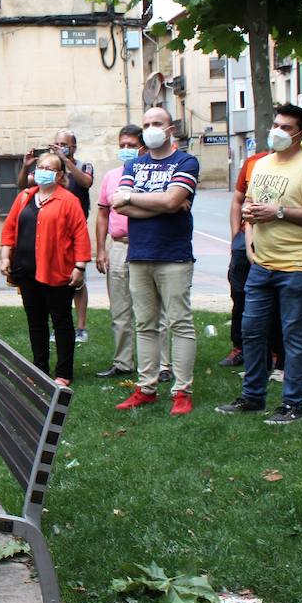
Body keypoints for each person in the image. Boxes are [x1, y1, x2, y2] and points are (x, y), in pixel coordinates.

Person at [217, 104, 302, 424]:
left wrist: (280, 213)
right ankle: (253, 397)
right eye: (277, 125)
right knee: (251, 331)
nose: (278, 132)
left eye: (286, 128)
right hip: (263, 264)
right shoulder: (262, 165)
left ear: (300, 134)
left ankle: (292, 405)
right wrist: (249, 233)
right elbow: (252, 206)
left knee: (293, 338)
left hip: (299, 266)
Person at [111, 106, 200, 416]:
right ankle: (146, 388)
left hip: (173, 254)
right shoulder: (134, 164)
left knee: (180, 323)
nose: (150, 128)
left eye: (157, 123)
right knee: (145, 324)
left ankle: (182, 391)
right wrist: (165, 204)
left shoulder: (185, 161)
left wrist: (143, 199)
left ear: (170, 128)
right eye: (146, 123)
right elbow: (119, 206)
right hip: (139, 254)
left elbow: (172, 199)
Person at [0, 150, 90, 385]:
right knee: (35, 321)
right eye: (41, 166)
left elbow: (80, 235)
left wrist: (79, 267)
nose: (44, 172)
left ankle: (64, 373)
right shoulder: (25, 197)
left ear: (60, 175)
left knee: (61, 321)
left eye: (50, 169)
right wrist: (6, 257)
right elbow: (9, 230)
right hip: (27, 271)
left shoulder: (69, 200)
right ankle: (39, 368)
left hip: (58, 271)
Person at [95, 124, 170, 379]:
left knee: (154, 309)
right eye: (122, 145)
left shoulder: (155, 173)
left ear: (143, 146)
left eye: (130, 145)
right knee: (120, 309)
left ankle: (163, 366)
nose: (125, 150)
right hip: (119, 246)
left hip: (148, 245)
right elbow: (103, 214)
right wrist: (101, 250)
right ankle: (122, 362)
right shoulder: (111, 176)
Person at [20, 130, 94, 342]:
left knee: (77, 282)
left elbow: (86, 182)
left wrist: (64, 162)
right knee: (50, 283)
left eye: (65, 144)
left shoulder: (82, 165)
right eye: (58, 143)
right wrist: (26, 166)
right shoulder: (47, 167)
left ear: (74, 147)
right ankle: (56, 324)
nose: (61, 146)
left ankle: (80, 326)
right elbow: (23, 185)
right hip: (48, 227)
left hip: (73, 226)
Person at [217, 149, 270, 368]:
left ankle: (275, 350)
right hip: (245, 239)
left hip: (275, 240)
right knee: (239, 294)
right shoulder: (254, 162)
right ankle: (240, 347)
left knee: (274, 297)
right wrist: (235, 235)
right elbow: (238, 200)